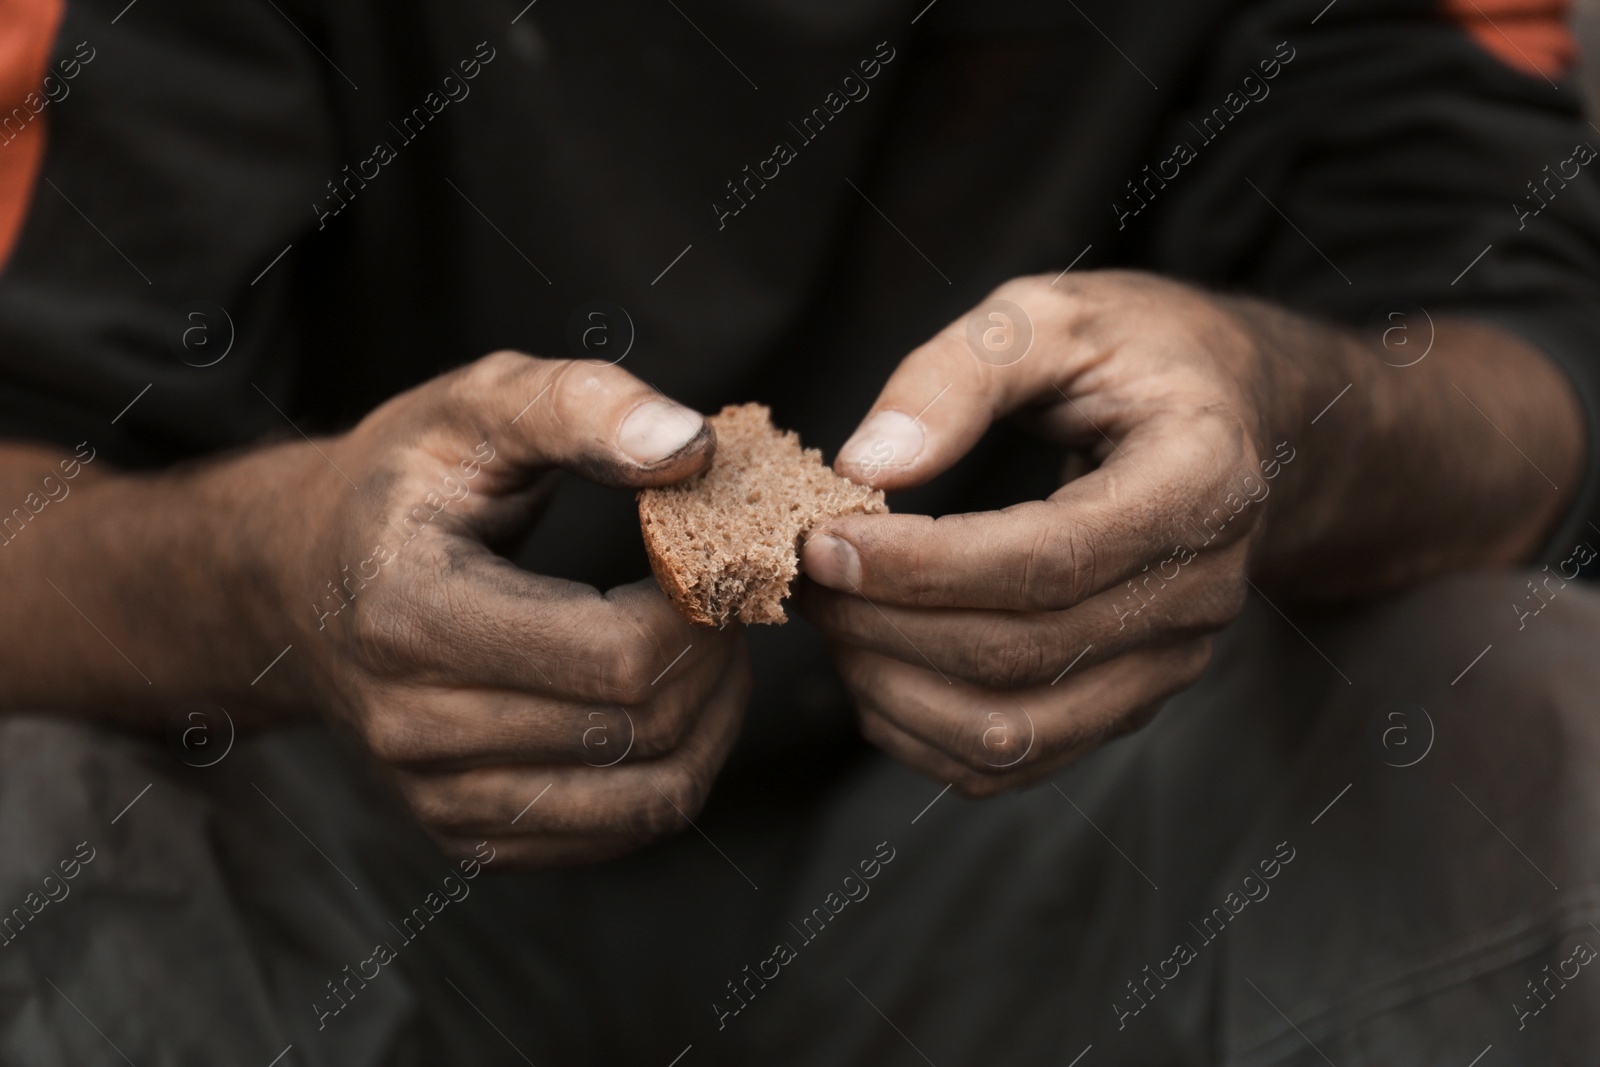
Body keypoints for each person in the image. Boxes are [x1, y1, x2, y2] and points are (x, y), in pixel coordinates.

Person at [1, 0, 1599, 1061]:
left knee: (1531, 708)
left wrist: (1283, 418)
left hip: (1030, 844)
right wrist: (286, 572)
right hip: (356, 871)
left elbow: (1528, 353)